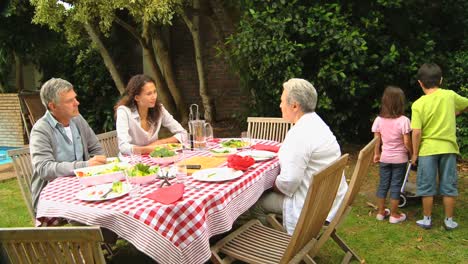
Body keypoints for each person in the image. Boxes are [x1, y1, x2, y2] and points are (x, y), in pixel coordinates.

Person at [255, 78, 348, 235]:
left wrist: (267, 186)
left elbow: (288, 182)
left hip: (310, 206)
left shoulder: (300, 134)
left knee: (253, 202)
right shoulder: (318, 124)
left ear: (295, 105)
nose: (280, 105)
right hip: (329, 200)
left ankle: (273, 246)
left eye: (282, 101)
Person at [30, 78, 106, 214]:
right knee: (98, 214)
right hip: (53, 198)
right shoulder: (41, 130)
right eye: (70, 101)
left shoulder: (77, 119)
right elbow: (44, 168)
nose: (77, 103)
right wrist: (85, 166)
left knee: (110, 205)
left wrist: (97, 163)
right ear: (53, 106)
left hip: (84, 188)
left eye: (75, 98)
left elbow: (96, 150)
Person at [411, 63, 468, 230]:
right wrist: (455, 112)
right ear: (441, 80)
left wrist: (415, 153)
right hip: (449, 149)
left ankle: (427, 219)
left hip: (428, 150)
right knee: (448, 185)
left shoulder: (418, 104)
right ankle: (449, 221)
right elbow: (466, 104)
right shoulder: (450, 96)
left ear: (420, 83)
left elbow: (416, 132)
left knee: (427, 185)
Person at [115, 74, 187, 155]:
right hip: (130, 161)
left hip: (154, 158)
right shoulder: (124, 112)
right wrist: (147, 149)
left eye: (155, 92)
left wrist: (160, 142)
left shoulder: (159, 108)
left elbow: (183, 133)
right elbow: (123, 147)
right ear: (137, 98)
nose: (154, 97)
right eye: (149, 94)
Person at [372, 86, 411, 224]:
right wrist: (412, 153)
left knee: (383, 184)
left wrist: (377, 154)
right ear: (401, 103)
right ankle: (394, 215)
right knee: (396, 185)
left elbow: (377, 140)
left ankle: (381, 212)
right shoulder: (404, 120)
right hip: (400, 159)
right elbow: (406, 142)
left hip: (385, 158)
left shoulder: (379, 120)